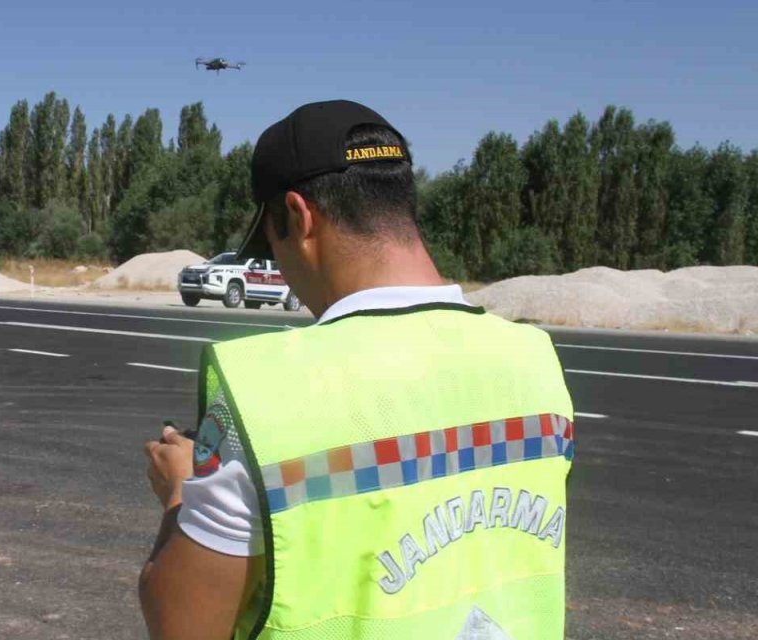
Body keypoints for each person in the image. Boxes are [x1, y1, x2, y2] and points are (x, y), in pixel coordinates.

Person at [139, 100, 575, 640]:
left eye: (272, 249)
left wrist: (182, 494)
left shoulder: (271, 392)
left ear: (299, 217)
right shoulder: (532, 357)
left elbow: (184, 626)